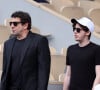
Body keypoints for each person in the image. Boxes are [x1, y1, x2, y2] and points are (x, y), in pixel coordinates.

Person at [0, 11, 51, 90]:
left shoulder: (39, 41)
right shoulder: (8, 44)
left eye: (15, 23)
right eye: (11, 23)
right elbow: (5, 71)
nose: (12, 26)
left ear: (25, 25)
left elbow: (43, 71)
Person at [63, 17, 100, 90]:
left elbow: (99, 74)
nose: (75, 32)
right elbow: (68, 75)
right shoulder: (71, 49)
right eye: (74, 29)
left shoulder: (97, 49)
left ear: (88, 32)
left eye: (78, 30)